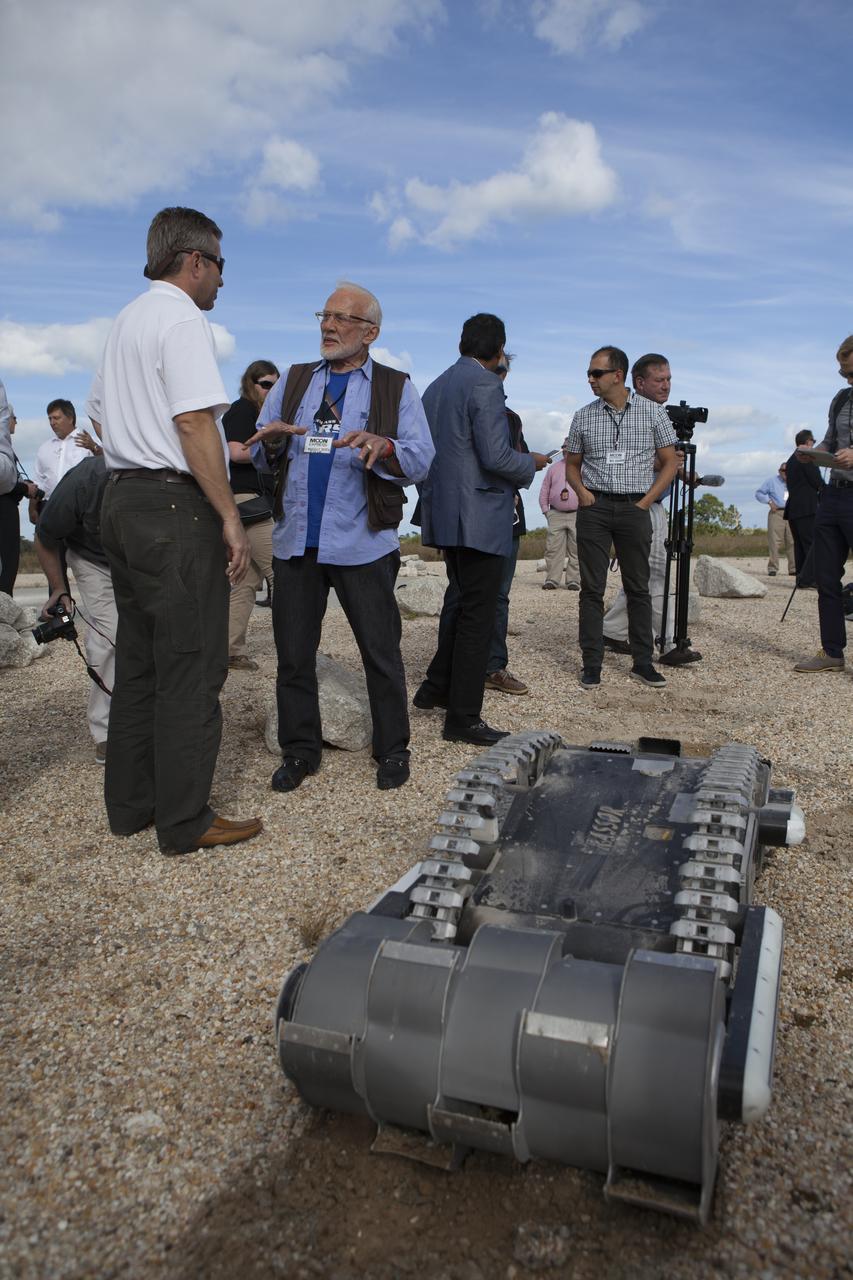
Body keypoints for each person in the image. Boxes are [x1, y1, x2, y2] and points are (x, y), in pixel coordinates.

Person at [87, 205, 261, 855]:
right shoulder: (182, 319)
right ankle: (185, 820)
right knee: (191, 665)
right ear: (194, 261)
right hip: (169, 507)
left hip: (119, 499)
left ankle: (131, 807)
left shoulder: (126, 320)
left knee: (140, 664)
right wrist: (226, 515)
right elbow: (194, 424)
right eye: (219, 264)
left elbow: (101, 419)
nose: (221, 279)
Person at [247, 282, 434, 793]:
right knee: (292, 655)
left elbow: (421, 458)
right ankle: (300, 750)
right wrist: (269, 444)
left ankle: (393, 749)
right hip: (295, 541)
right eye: (324, 316)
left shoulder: (396, 388)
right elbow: (260, 449)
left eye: (341, 319)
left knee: (380, 652)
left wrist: (385, 444)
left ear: (370, 332)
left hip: (362, 542)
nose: (328, 327)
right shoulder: (294, 379)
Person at [415, 314, 548, 743]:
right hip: (481, 515)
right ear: (498, 349)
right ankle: (464, 718)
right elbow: (496, 456)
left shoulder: (435, 386)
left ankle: (436, 688)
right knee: (478, 615)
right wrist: (532, 463)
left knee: (462, 603)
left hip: (443, 510)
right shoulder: (486, 383)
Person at [565, 345, 679, 690]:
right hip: (595, 509)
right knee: (591, 590)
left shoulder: (652, 413)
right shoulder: (583, 415)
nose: (590, 379)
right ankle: (591, 664)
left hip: (634, 508)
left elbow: (671, 461)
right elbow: (571, 464)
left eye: (596, 373)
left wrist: (646, 501)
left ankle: (643, 663)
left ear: (618, 375)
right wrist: (584, 495)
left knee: (638, 587)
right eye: (589, 373)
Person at [601, 353, 702, 666]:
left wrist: (682, 472)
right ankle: (669, 641)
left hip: (652, 504)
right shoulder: (629, 415)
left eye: (669, 379)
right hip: (640, 504)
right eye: (659, 380)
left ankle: (613, 629)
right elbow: (620, 458)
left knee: (642, 574)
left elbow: (660, 459)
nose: (666, 386)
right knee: (657, 573)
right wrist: (667, 461)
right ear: (639, 382)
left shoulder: (658, 416)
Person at [34, 456, 117, 762]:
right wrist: (59, 588)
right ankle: (106, 730)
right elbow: (45, 537)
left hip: (141, 561)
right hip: (94, 560)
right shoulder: (85, 480)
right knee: (109, 634)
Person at [794, 335, 853, 673]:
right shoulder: (841, 398)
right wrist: (813, 454)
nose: (845, 378)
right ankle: (832, 652)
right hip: (833, 496)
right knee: (826, 577)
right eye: (843, 371)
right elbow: (831, 438)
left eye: (849, 371)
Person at [222, 360, 279, 671]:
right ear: (251, 384)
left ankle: (230, 649)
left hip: (252, 500)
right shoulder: (242, 410)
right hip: (249, 501)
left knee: (246, 579)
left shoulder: (260, 414)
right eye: (265, 384)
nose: (270, 390)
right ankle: (294, 645)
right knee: (280, 572)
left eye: (275, 384)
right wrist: (273, 448)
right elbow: (235, 452)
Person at [29, 399, 90, 523]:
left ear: (70, 418)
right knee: (44, 542)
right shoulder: (44, 448)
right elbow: (38, 481)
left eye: (56, 418)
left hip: (81, 509)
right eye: (50, 419)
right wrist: (32, 508)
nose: (52, 422)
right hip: (48, 508)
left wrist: (95, 448)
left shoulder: (89, 442)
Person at [0, 404, 39, 594]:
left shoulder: (7, 448)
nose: (16, 421)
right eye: (14, 417)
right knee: (7, 563)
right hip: (4, 507)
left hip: (7, 505)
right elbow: (3, 480)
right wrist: (25, 487)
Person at [784, 429, 824, 586]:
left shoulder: (792, 459)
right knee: (811, 544)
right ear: (808, 442)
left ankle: (801, 578)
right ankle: (811, 578)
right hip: (807, 507)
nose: (813, 445)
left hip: (794, 508)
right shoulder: (806, 458)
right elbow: (816, 481)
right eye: (813, 442)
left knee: (799, 545)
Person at [538, 439, 580, 590]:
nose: (566, 451)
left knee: (577, 549)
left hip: (578, 514)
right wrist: (545, 510)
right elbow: (544, 489)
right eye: (564, 448)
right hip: (555, 513)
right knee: (553, 549)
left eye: (569, 448)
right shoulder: (553, 468)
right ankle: (552, 580)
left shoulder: (583, 467)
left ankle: (573, 580)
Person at [755, 463, 796, 576]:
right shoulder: (771, 481)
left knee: (792, 541)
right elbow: (759, 493)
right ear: (779, 471)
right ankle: (773, 568)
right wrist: (769, 502)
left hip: (792, 513)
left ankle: (793, 568)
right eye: (783, 470)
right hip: (777, 512)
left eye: (788, 471)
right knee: (774, 541)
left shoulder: (795, 480)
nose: (785, 473)